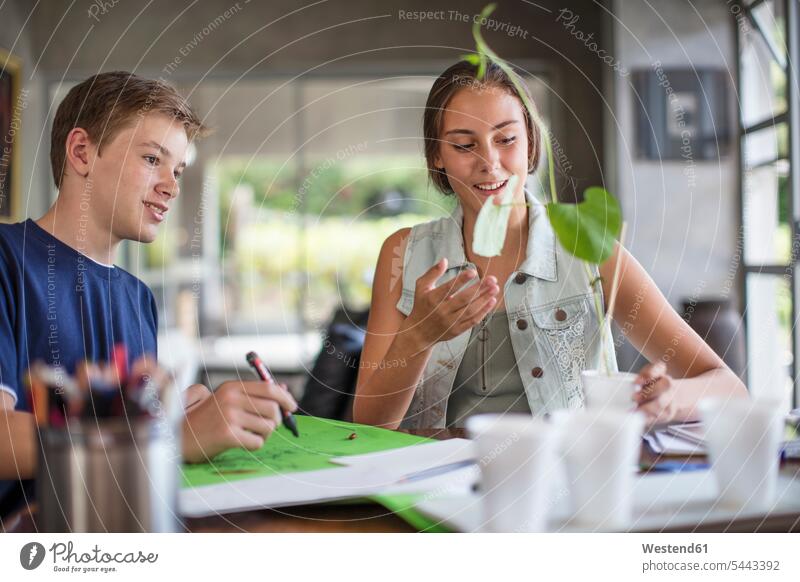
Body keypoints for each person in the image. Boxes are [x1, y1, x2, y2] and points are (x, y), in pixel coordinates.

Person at [353, 60, 747, 430]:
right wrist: (418, 337)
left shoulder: (590, 250)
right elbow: (370, 424)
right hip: (437, 491)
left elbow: (728, 388)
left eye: (506, 138)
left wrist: (671, 398)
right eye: (463, 145)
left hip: (567, 484)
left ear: (530, 144)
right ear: (437, 154)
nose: (490, 162)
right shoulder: (403, 252)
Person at [0, 72, 297, 511]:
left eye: (177, 170)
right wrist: (166, 436)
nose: (172, 187)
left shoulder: (138, 298)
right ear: (81, 152)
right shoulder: (7, 260)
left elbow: (119, 418)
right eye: (153, 160)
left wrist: (172, 412)